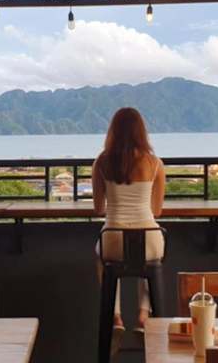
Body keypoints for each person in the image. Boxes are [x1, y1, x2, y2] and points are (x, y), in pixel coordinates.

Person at [92, 107, 166, 332]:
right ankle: (144, 315)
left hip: (112, 239)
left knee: (102, 258)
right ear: (141, 132)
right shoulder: (155, 164)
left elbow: (98, 209)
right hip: (150, 237)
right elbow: (157, 211)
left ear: (113, 131)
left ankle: (115, 317)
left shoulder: (101, 162)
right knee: (149, 257)